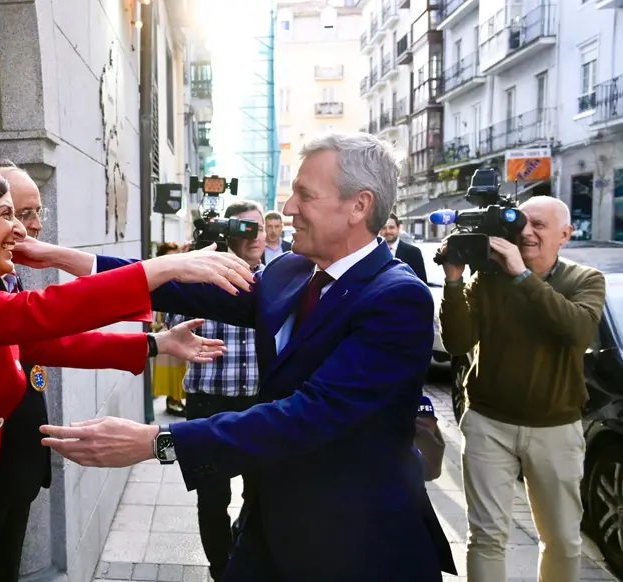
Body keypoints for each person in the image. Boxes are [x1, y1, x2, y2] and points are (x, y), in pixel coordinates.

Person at [25, 132, 457, 581]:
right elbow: (184, 288)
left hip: (353, 544)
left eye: (304, 195)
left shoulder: (397, 298)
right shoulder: (291, 270)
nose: (288, 209)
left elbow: (307, 416)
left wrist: (156, 442)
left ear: (358, 206)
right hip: (268, 528)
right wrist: (67, 258)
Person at [0, 159, 252, 582]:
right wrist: (159, 269)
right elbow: (39, 314)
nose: (21, 229)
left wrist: (155, 344)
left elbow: (49, 342)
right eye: (6, 214)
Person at [439, 196, 605, 582]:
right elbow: (458, 344)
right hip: (488, 424)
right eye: (523, 224)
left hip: (556, 430)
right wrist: (452, 281)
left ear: (565, 235)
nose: (527, 233)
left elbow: (576, 331)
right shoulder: (488, 278)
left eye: (540, 226)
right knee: (486, 538)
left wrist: (522, 277)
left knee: (563, 540)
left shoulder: (585, 279)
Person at [167, 200, 266, 581]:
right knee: (212, 499)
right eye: (245, 228)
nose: (255, 235)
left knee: (259, 493)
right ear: (227, 232)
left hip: (259, 403)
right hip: (208, 402)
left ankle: (244, 559)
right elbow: (175, 321)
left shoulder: (278, 277)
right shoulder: (204, 275)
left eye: (258, 226)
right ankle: (221, 570)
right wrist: (193, 267)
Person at [150, 242, 188, 417]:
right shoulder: (155, 278)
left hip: (179, 329)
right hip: (164, 331)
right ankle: (172, 401)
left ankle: (177, 400)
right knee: (171, 372)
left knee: (180, 369)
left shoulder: (180, 277)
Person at [380, 213, 427, 284]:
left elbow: (422, 284)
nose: (388, 231)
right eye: (384, 228)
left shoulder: (413, 253)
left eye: (391, 227)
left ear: (398, 228)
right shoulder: (372, 253)